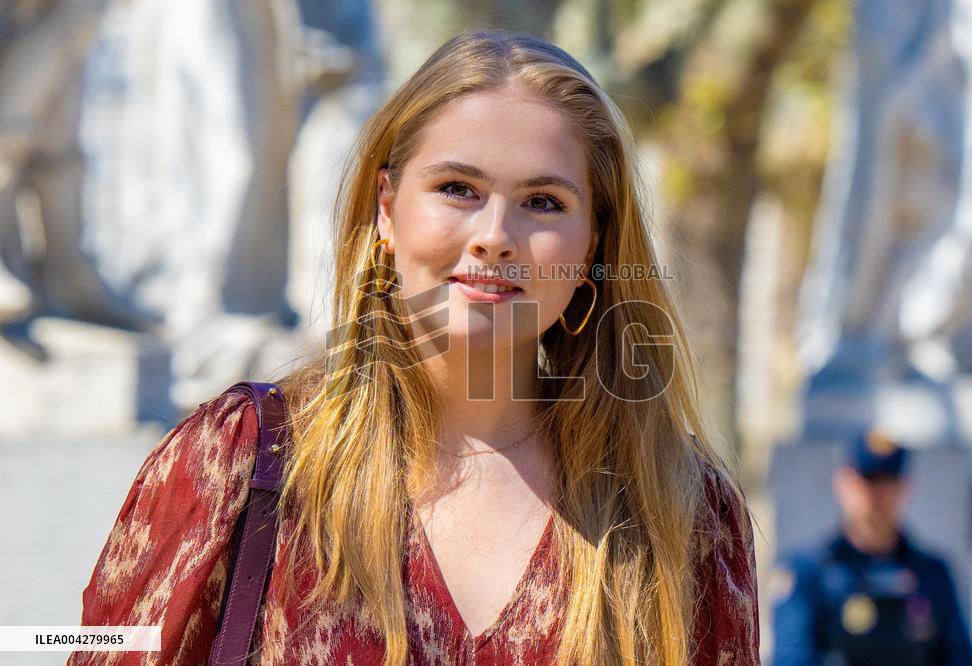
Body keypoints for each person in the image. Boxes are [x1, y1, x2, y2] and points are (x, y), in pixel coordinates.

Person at [69, 29, 759, 665]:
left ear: (593, 246)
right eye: (458, 189)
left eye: (544, 201)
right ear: (386, 208)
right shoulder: (240, 464)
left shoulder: (682, 510)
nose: (495, 236)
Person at [771, 428, 972, 665]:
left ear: (905, 489)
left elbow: (961, 657)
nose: (877, 495)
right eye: (867, 481)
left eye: (888, 481)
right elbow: (792, 658)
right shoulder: (807, 573)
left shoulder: (932, 573)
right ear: (842, 483)